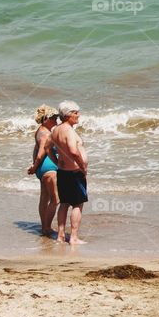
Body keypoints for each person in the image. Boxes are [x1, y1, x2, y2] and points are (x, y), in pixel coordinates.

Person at [52, 100, 88, 244]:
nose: (78, 115)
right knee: (78, 204)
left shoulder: (56, 130)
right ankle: (73, 237)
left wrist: (57, 162)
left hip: (62, 171)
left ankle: (60, 235)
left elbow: (48, 148)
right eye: (75, 112)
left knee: (64, 203)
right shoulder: (68, 131)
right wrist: (82, 166)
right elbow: (73, 151)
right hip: (74, 172)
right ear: (68, 115)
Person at [26, 105, 61, 237]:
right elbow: (41, 152)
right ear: (46, 119)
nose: (56, 120)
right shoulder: (46, 133)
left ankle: (44, 226)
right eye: (53, 117)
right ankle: (47, 228)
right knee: (55, 199)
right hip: (49, 169)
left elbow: (36, 150)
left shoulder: (40, 130)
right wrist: (34, 166)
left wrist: (36, 168)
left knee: (44, 198)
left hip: (43, 170)